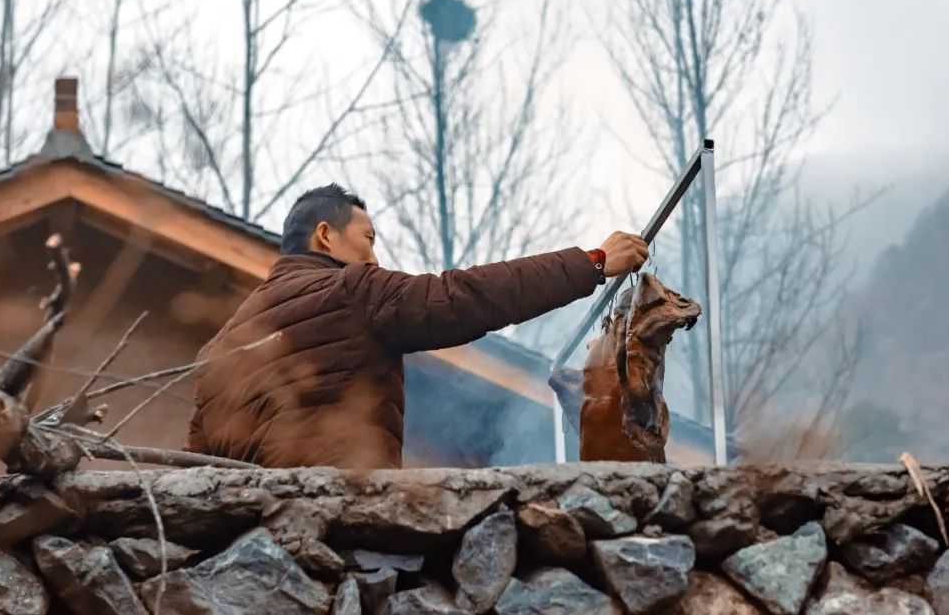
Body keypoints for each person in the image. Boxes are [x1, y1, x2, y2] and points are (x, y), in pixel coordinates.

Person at [185, 183, 648, 469]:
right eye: (367, 239)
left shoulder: (220, 347)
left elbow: (199, 471)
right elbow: (465, 297)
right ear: (325, 235)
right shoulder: (353, 290)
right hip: (341, 529)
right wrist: (593, 262)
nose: (375, 257)